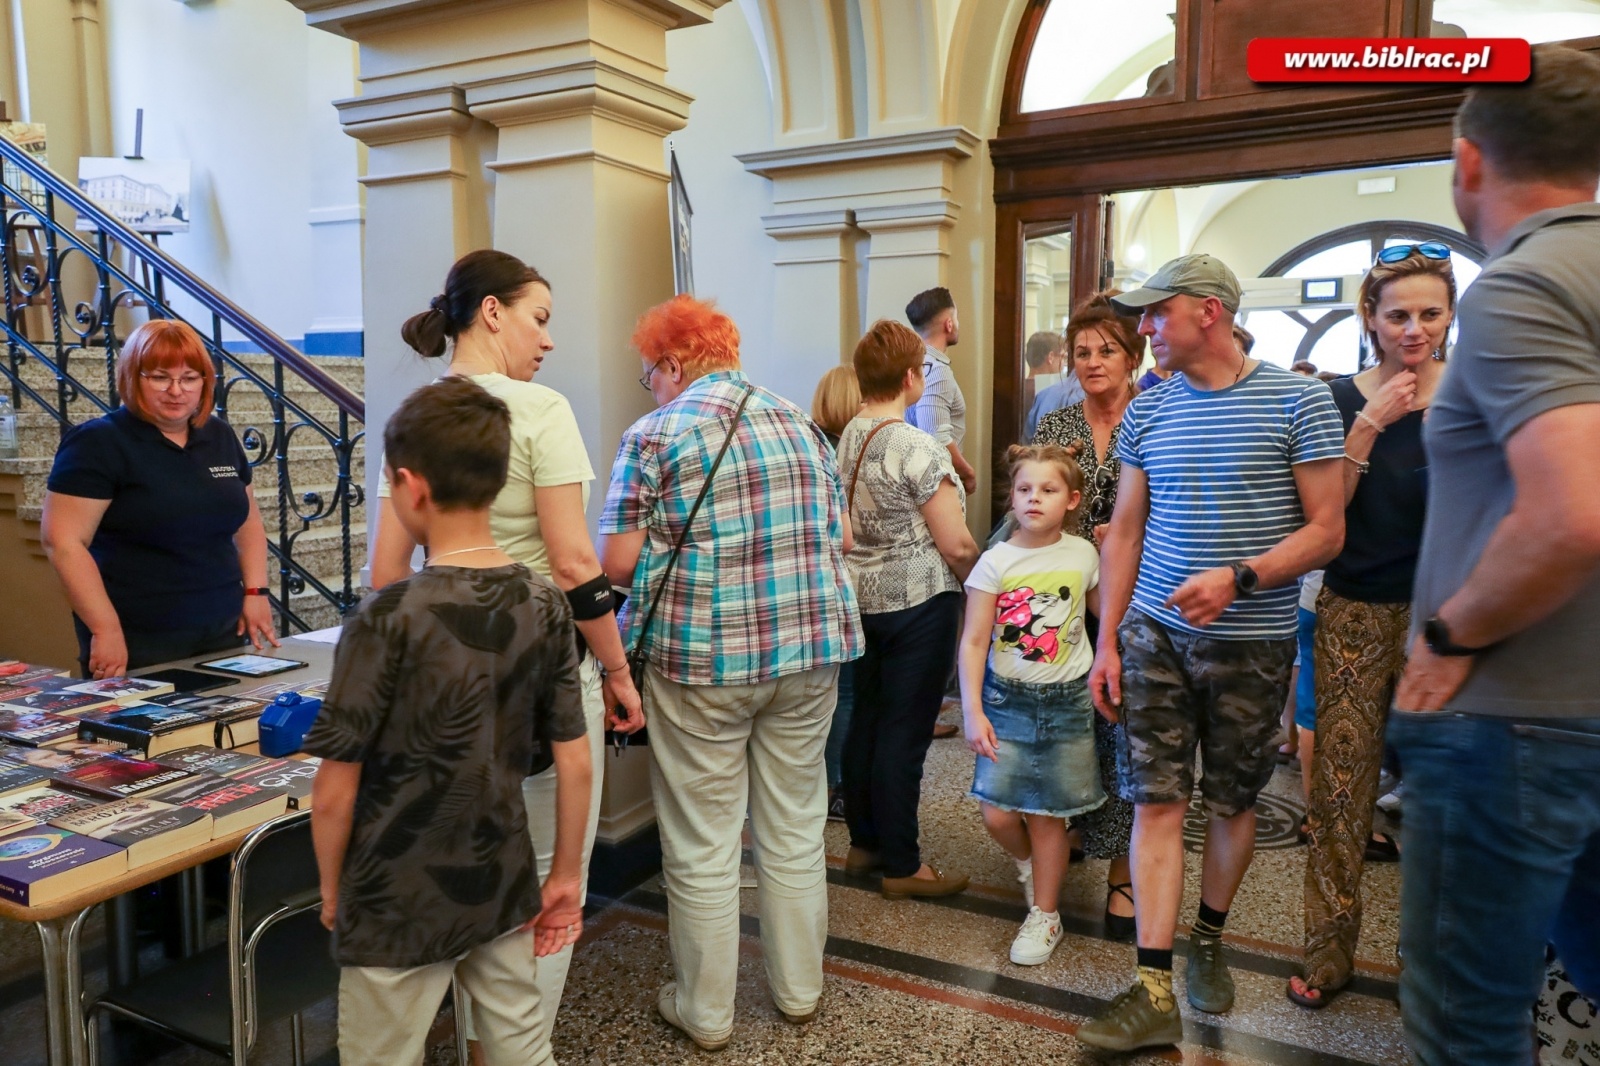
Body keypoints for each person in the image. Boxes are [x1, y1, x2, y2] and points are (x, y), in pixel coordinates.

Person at [369, 250, 640, 1050]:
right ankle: (517, 1048)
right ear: (491, 312)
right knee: (550, 883)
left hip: (443, 689)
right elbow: (574, 563)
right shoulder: (539, 409)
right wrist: (618, 672)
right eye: (539, 318)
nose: (547, 341)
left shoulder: (418, 409)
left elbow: (387, 573)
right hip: (537, 676)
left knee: (464, 865)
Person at [1075, 253, 1345, 1052]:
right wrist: (1109, 641)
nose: (1145, 328)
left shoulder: (1300, 399)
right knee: (1156, 800)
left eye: (1157, 313)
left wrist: (1242, 577)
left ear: (1209, 312)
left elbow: (1327, 529)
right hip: (1153, 633)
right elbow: (1124, 531)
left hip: (1251, 641)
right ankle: (1152, 986)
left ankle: (1210, 935)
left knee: (1231, 802)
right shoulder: (1148, 411)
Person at [1392, 45, 1600, 1065]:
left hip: (1512, 721)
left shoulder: (1521, 285)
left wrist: (1446, 631)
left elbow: (1570, 513)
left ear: (1466, 161)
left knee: (1464, 1030)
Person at [600, 295, 861, 1050]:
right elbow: (838, 534)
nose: (649, 384)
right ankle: (799, 990)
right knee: (794, 825)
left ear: (674, 364)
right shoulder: (800, 422)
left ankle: (706, 1012)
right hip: (811, 649)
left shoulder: (654, 433)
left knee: (703, 840)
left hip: (703, 660)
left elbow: (616, 563)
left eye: (650, 372)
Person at [307, 377, 592, 1066]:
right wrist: (565, 882)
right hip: (501, 872)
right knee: (521, 1048)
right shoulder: (545, 604)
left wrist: (329, 886)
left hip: (394, 888)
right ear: (496, 484)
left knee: (383, 1054)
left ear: (411, 486)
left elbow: (335, 788)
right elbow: (576, 762)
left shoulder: (386, 617)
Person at [1288, 245, 1455, 1010]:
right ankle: (1328, 953)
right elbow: (1323, 520)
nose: (1414, 329)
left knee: (1447, 797)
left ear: (1450, 315)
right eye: (1398, 315)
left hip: (1452, 618)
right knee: (1341, 792)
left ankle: (1435, 964)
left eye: (1430, 312)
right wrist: (1370, 429)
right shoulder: (1335, 399)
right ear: (1370, 319)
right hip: (1355, 610)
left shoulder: (1476, 394)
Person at [41, 319, 277, 678]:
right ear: (133, 378)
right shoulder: (98, 443)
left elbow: (248, 521)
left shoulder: (220, 436)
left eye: (189, 378)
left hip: (223, 629)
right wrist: (105, 629)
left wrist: (257, 591)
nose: (176, 390)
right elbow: (64, 543)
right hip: (137, 636)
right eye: (160, 377)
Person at [838, 319, 979, 901]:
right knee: (906, 733)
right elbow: (957, 543)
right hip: (920, 603)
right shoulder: (916, 445)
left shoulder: (847, 435)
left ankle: (865, 844)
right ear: (908, 377)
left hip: (861, 600)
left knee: (867, 721)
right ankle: (903, 863)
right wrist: (987, 591)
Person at [959, 443, 1103, 966]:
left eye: (1047, 490)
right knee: (997, 813)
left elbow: (1106, 619)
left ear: (1071, 499)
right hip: (1007, 700)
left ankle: (1045, 913)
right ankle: (1029, 867)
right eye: (1024, 490)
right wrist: (972, 710)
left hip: (1066, 702)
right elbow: (974, 641)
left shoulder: (1084, 554)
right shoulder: (995, 561)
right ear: (1011, 499)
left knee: (1048, 817)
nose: (1034, 499)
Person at [1032, 290, 1144, 940]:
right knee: (1071, 730)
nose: (1093, 361)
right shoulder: (1057, 427)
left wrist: (1125, 540)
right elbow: (1035, 501)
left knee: (1122, 733)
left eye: (1107, 350)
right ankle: (1074, 823)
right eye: (1082, 351)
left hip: (1134, 601)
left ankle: (1122, 875)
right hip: (1066, 602)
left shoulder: (1153, 417)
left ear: (1133, 355)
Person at [811, 365, 862, 821]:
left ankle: (820, 788)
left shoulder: (807, 444)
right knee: (846, 696)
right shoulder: (853, 448)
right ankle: (837, 787)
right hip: (849, 582)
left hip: (812, 587)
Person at [905, 287, 978, 495]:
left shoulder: (912, 365)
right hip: (935, 486)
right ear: (949, 324)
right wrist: (968, 472)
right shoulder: (936, 371)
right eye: (956, 318)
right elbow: (936, 436)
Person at [1023, 330, 1084, 440]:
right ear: (1050, 357)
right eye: (1063, 357)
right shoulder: (1049, 395)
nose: (1065, 364)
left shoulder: (1020, 388)